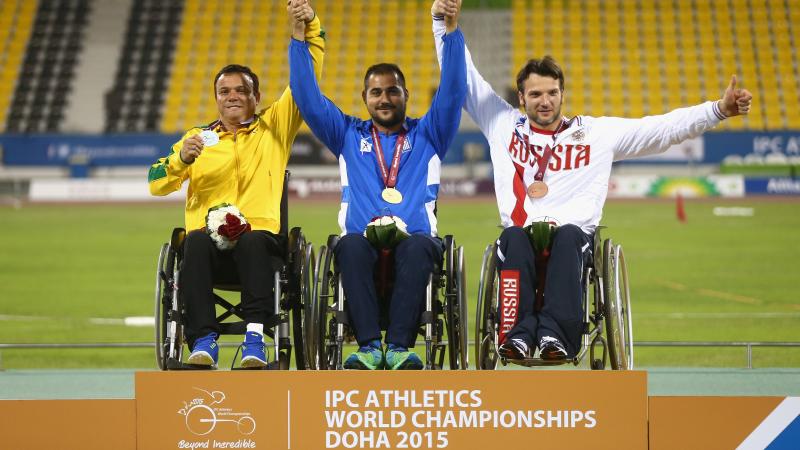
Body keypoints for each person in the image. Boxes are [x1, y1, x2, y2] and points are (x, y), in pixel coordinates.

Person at [431, 0, 753, 361]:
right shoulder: (501, 124)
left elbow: (661, 129)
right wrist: (443, 23)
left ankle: (556, 338)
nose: (545, 101)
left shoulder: (596, 133)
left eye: (552, 92)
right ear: (521, 98)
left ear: (562, 94)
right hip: (520, 233)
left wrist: (718, 110)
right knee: (513, 237)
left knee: (569, 235)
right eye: (535, 94)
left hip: (574, 236)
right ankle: (516, 337)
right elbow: (464, 77)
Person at [288, 0, 466, 370]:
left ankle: (399, 346)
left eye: (393, 91)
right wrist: (298, 37)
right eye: (376, 92)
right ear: (365, 98)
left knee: (418, 248)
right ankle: (369, 346)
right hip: (362, 241)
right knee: (348, 246)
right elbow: (306, 97)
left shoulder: (430, 133)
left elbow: (451, 91)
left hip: (416, 240)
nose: (384, 98)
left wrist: (450, 32)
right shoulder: (347, 134)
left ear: (405, 95)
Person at [147, 4, 325, 368]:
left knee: (254, 238)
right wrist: (182, 160)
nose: (232, 96)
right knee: (193, 239)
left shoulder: (276, 126)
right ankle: (203, 342)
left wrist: (306, 27)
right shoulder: (196, 139)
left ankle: (255, 339)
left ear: (256, 98)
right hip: (208, 247)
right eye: (224, 90)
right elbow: (155, 182)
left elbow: (307, 79)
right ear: (215, 98)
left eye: (241, 90)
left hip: (259, 242)